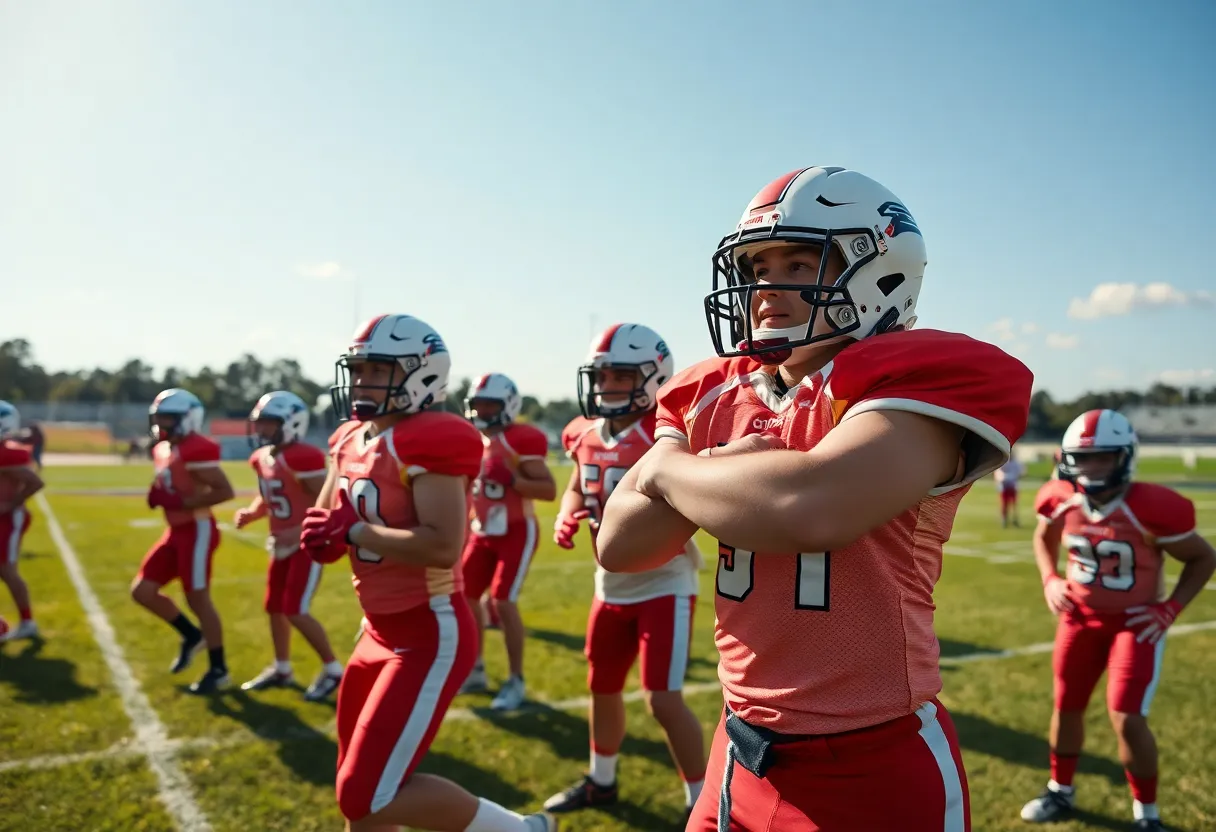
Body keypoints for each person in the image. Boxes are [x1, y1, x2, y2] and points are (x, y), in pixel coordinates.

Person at [596, 166, 1034, 831]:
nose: (766, 287)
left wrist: (667, 469)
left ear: (880, 271)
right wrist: (710, 466)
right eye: (756, 265)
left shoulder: (917, 379)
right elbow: (621, 544)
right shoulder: (711, 391)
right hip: (740, 749)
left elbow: (812, 509)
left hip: (872, 762)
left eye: (798, 262)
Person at [301, 313, 556, 832]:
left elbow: (442, 545)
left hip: (428, 631)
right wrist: (323, 534)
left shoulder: (433, 436)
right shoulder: (350, 437)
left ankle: (521, 830)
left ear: (421, 375)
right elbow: (331, 521)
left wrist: (353, 533)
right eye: (359, 369)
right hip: (374, 630)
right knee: (362, 797)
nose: (362, 381)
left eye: (377, 370)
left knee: (365, 794)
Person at [1020, 409, 1216, 831]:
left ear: (1124, 457)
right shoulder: (1060, 497)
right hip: (1080, 619)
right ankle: (1061, 790)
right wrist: (1050, 577)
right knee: (1067, 705)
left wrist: (1170, 608)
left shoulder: (1152, 507)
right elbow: (1043, 537)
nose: (1092, 467)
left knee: (1127, 717)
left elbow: (1203, 557)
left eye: (1104, 458)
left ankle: (1147, 813)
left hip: (1133, 623)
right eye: (1084, 458)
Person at [543, 323, 707, 824]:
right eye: (602, 376)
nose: (607, 386)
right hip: (608, 585)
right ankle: (603, 779)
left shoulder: (664, 435)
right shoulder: (585, 432)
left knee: (661, 699)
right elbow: (577, 484)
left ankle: (700, 800)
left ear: (653, 376)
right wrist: (567, 511)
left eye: (619, 375)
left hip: (663, 582)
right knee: (603, 686)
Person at [235, 390, 343, 701]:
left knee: (295, 609)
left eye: (269, 423)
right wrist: (253, 513)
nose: (262, 430)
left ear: (292, 422)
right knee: (274, 608)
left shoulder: (304, 456)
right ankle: (282, 667)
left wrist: (297, 531)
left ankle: (333, 669)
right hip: (280, 543)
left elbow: (331, 499)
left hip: (307, 544)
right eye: (260, 424)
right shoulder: (262, 457)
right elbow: (271, 494)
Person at [457, 372, 556, 711]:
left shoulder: (521, 438)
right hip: (482, 532)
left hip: (516, 530)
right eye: (477, 404)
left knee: (502, 601)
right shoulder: (473, 439)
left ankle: (516, 679)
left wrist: (513, 479)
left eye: (489, 404)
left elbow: (547, 489)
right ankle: (475, 669)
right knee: (465, 596)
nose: (482, 411)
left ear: (508, 406)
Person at [130, 388, 235, 694]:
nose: (161, 423)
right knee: (143, 591)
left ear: (188, 419)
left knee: (198, 599)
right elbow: (173, 481)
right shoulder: (164, 447)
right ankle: (191, 636)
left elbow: (224, 491)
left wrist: (178, 501)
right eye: (158, 417)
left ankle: (219, 669)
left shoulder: (195, 448)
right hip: (175, 531)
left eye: (168, 418)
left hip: (197, 529)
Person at [0, 400, 43, 642]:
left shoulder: (7, 452)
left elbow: (35, 482)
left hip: (9, 519)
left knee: (6, 569)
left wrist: (9, 504)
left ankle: (27, 622)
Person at [995, 453, 1026, 527]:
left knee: (1014, 503)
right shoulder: (1003, 462)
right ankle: (1004, 519)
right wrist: (1001, 478)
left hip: (1012, 486)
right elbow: (998, 473)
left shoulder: (1016, 463)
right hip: (1004, 486)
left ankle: (1015, 519)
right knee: (1004, 504)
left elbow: (1021, 472)